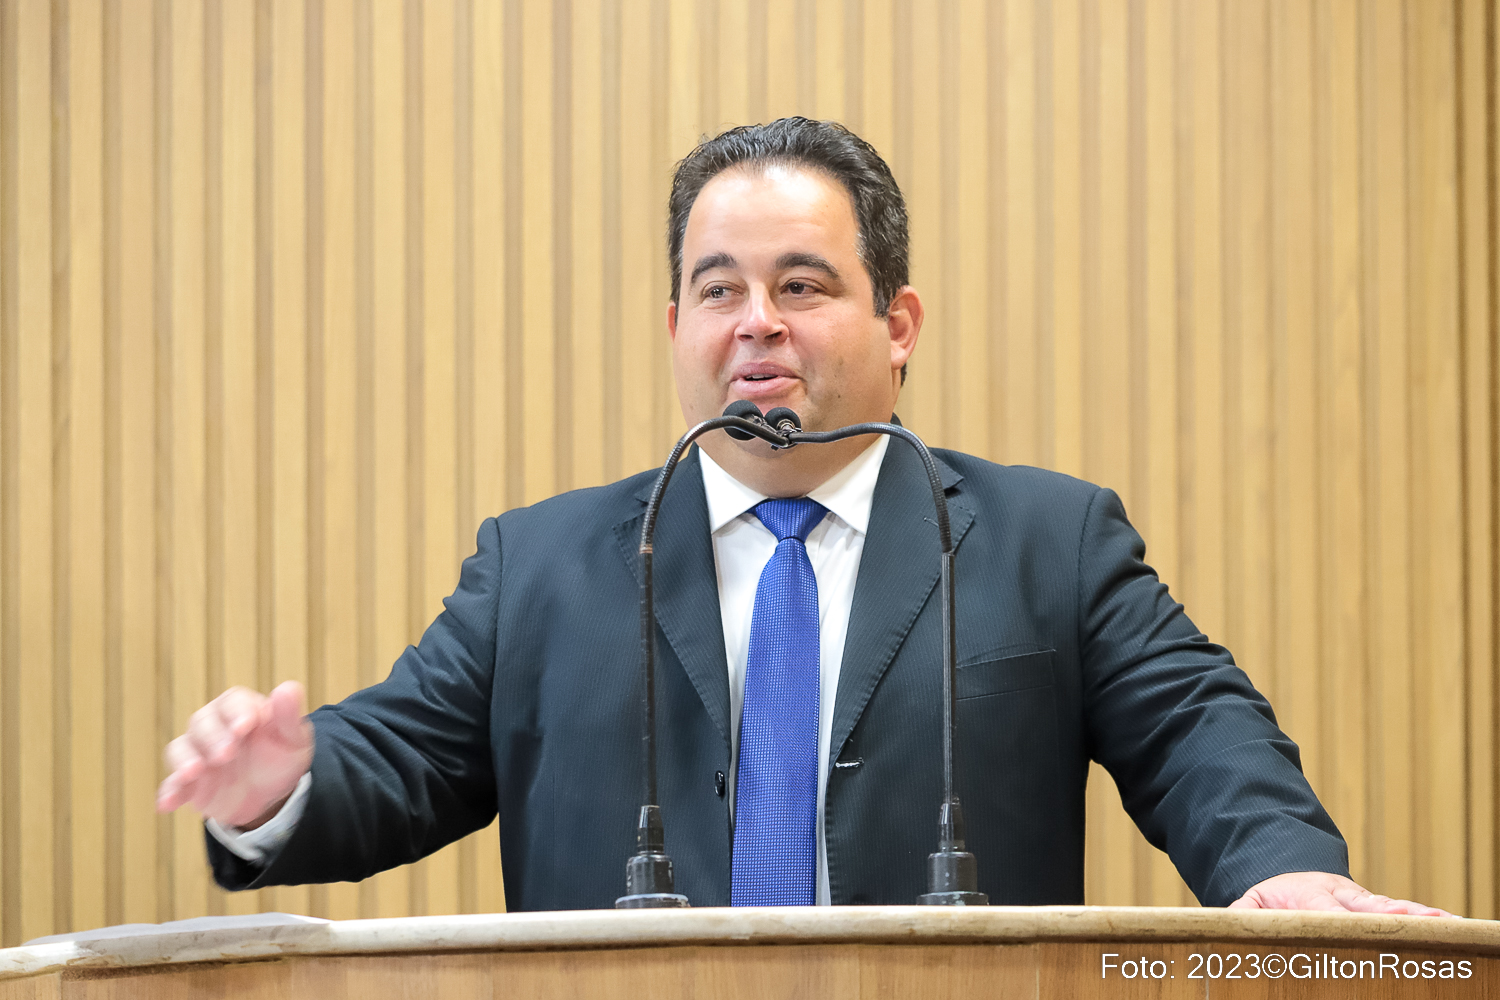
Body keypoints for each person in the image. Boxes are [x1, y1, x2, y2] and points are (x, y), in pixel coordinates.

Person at [158, 118, 1449, 915]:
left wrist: (1277, 867)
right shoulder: (540, 567)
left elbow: (1195, 728)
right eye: (718, 289)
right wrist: (278, 788)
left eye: (804, 285)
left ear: (899, 323)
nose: (756, 323)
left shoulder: (1046, 543)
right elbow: (397, 759)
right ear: (677, 326)